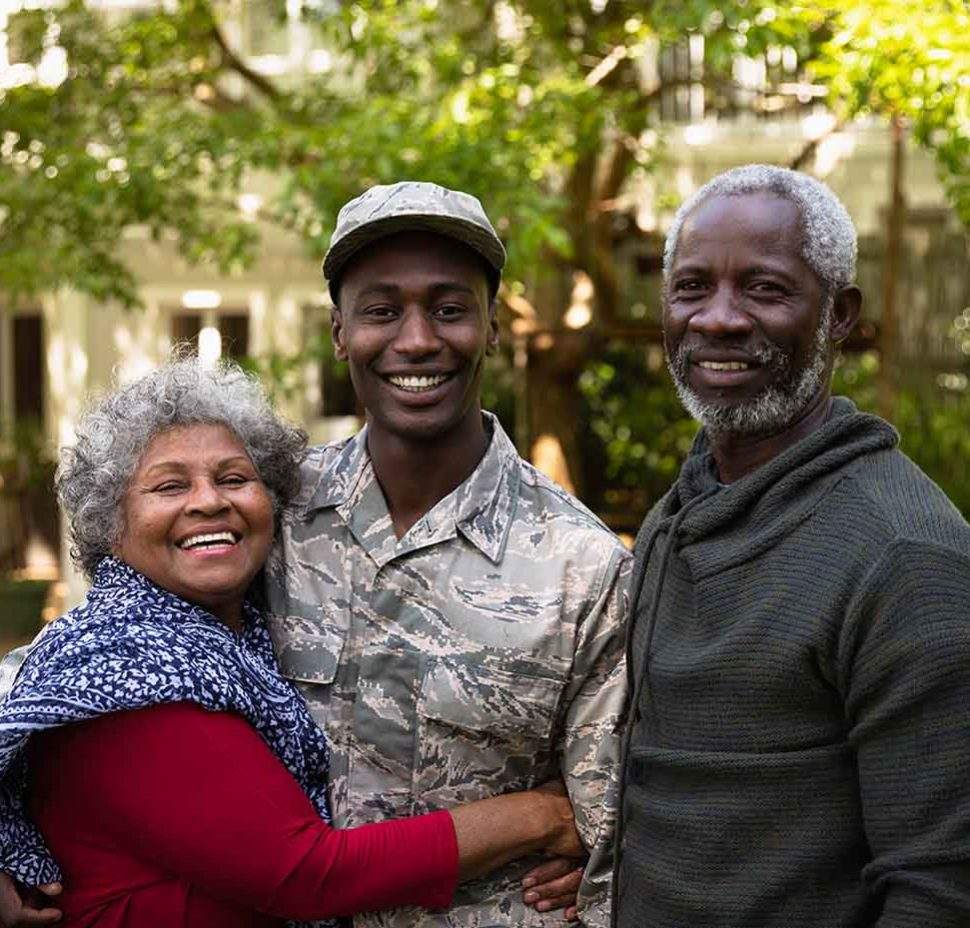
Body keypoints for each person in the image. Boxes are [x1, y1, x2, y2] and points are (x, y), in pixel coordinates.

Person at [2, 181, 631, 928]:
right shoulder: (269, 514)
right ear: (339, 332)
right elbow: (72, 687)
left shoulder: (582, 567)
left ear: (493, 326)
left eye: (451, 307)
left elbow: (608, 833)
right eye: (381, 309)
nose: (418, 338)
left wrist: (583, 843)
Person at [614, 164, 970, 927]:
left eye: (765, 289)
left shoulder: (905, 558)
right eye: (691, 287)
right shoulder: (678, 513)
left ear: (838, 314)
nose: (718, 319)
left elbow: (941, 890)